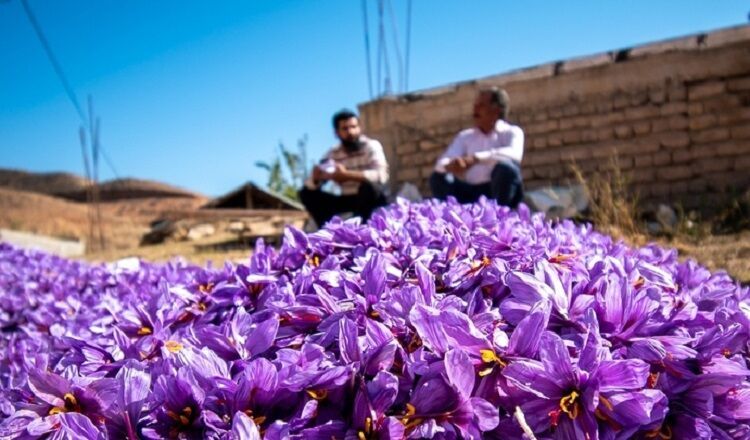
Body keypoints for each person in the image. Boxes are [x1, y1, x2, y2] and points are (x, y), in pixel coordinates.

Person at [430, 87, 525, 208]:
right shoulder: (465, 136)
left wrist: (476, 158)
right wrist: (451, 165)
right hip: (472, 193)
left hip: (498, 192)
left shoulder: (512, 132)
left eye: (481, 105)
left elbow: (514, 154)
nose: (475, 109)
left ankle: (501, 217)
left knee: (506, 168)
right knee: (438, 177)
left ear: (496, 110)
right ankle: (453, 217)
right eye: (475, 105)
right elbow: (440, 164)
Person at [299, 109, 389, 227]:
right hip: (347, 199)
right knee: (306, 193)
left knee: (370, 186)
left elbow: (381, 175)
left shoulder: (371, 146)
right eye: (345, 128)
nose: (351, 132)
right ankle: (328, 231)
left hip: (371, 198)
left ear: (359, 128)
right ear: (336, 132)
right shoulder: (333, 153)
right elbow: (312, 183)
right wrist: (315, 179)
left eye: (353, 126)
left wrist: (347, 175)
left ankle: (359, 229)